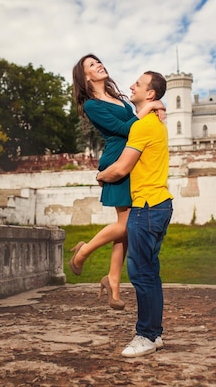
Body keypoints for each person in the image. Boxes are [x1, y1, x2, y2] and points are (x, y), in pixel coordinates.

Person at [71, 54, 163, 310]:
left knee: (126, 226)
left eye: (98, 61)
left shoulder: (119, 98)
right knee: (127, 223)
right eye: (91, 65)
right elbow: (125, 130)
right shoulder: (91, 105)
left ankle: (112, 280)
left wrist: (154, 108)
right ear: (84, 76)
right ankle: (84, 252)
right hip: (116, 161)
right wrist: (148, 108)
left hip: (131, 159)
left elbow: (137, 125)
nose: (98, 65)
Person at [96, 71, 173, 357]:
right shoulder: (154, 123)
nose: (131, 86)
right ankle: (155, 333)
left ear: (150, 94)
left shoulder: (143, 127)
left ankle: (146, 335)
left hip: (147, 207)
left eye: (138, 84)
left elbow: (121, 169)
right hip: (160, 204)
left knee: (141, 273)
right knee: (150, 273)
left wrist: (101, 176)